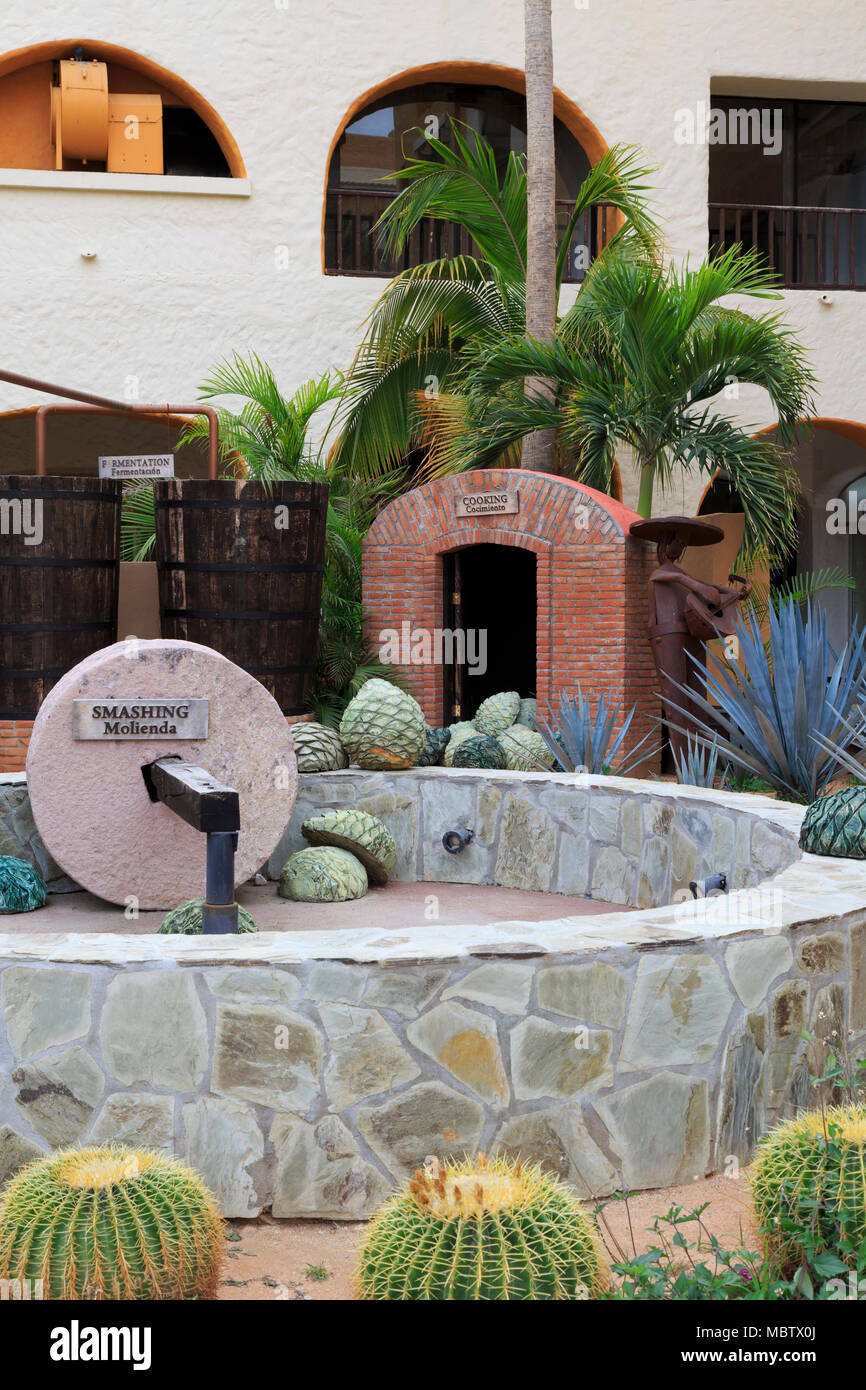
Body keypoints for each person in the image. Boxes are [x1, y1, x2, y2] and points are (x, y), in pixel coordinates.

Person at [629, 516, 751, 762]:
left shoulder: (679, 573)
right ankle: (684, 764)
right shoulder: (665, 574)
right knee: (676, 699)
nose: (680, 549)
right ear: (666, 543)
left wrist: (736, 593)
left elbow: (710, 589)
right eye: (678, 543)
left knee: (697, 697)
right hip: (667, 636)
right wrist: (692, 583)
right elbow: (661, 577)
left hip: (690, 633)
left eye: (684, 545)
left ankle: (702, 762)